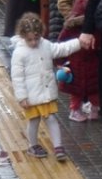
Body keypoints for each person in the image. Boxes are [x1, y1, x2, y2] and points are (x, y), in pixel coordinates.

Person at [11, 13, 81, 162]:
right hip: (31, 95)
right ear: (23, 36)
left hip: (45, 92)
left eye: (36, 38)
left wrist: (78, 43)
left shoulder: (45, 45)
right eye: (30, 39)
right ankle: (33, 145)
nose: (34, 42)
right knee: (34, 120)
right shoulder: (19, 53)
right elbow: (17, 77)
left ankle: (58, 147)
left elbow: (61, 49)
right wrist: (22, 97)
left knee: (51, 118)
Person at [58, 0, 102, 122]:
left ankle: (94, 104)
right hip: (79, 30)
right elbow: (62, 2)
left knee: (95, 70)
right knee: (77, 71)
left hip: (99, 29)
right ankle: (75, 106)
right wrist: (74, 18)